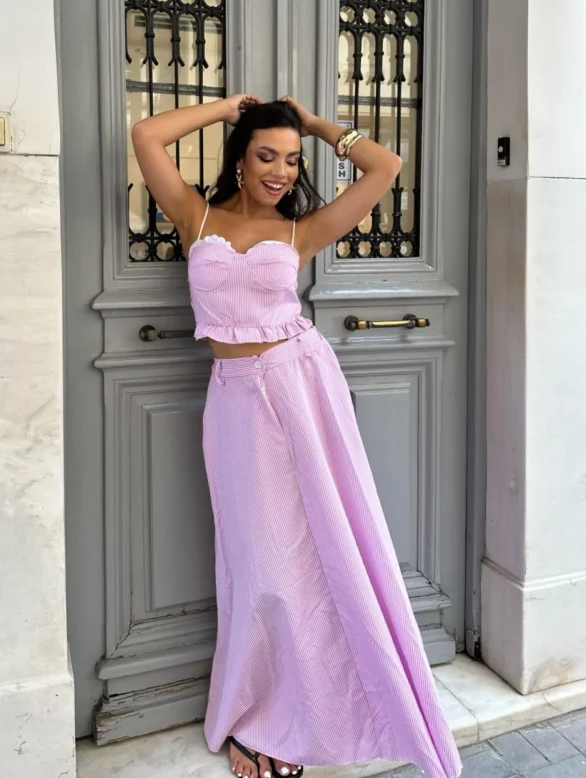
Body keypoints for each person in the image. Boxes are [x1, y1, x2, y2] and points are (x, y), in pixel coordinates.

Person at [131, 94, 462, 778]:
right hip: (235, 403)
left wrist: (314, 125)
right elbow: (145, 134)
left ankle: (303, 717)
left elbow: (385, 165)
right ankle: (263, 710)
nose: (281, 171)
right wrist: (227, 108)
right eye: (266, 155)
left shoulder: (299, 231)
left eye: (291, 160)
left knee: (326, 543)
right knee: (260, 563)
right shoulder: (195, 216)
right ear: (240, 158)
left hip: (301, 385)